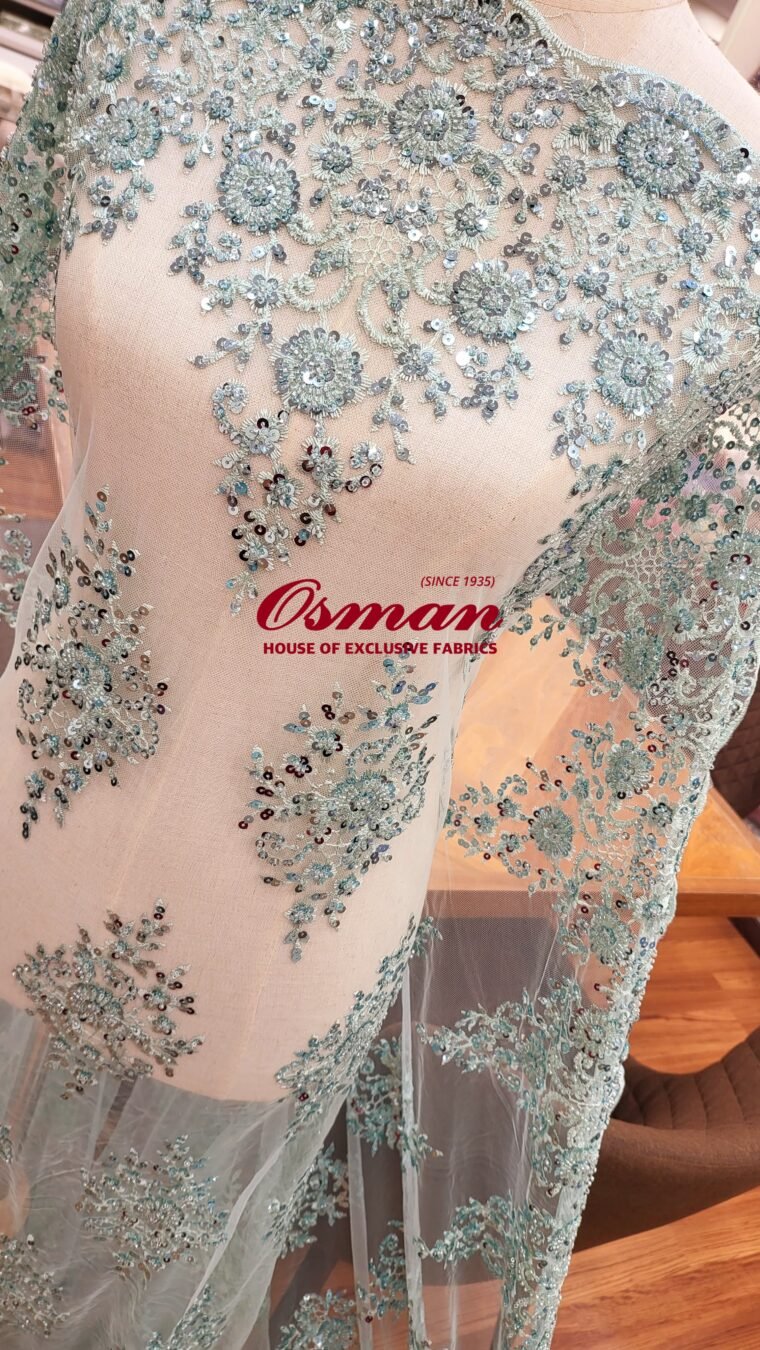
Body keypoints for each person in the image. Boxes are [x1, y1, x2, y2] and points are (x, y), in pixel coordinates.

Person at [0, 0, 758, 1344]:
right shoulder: (151, 18)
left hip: (279, 936)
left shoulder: (729, 203)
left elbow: (647, 700)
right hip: (27, 795)